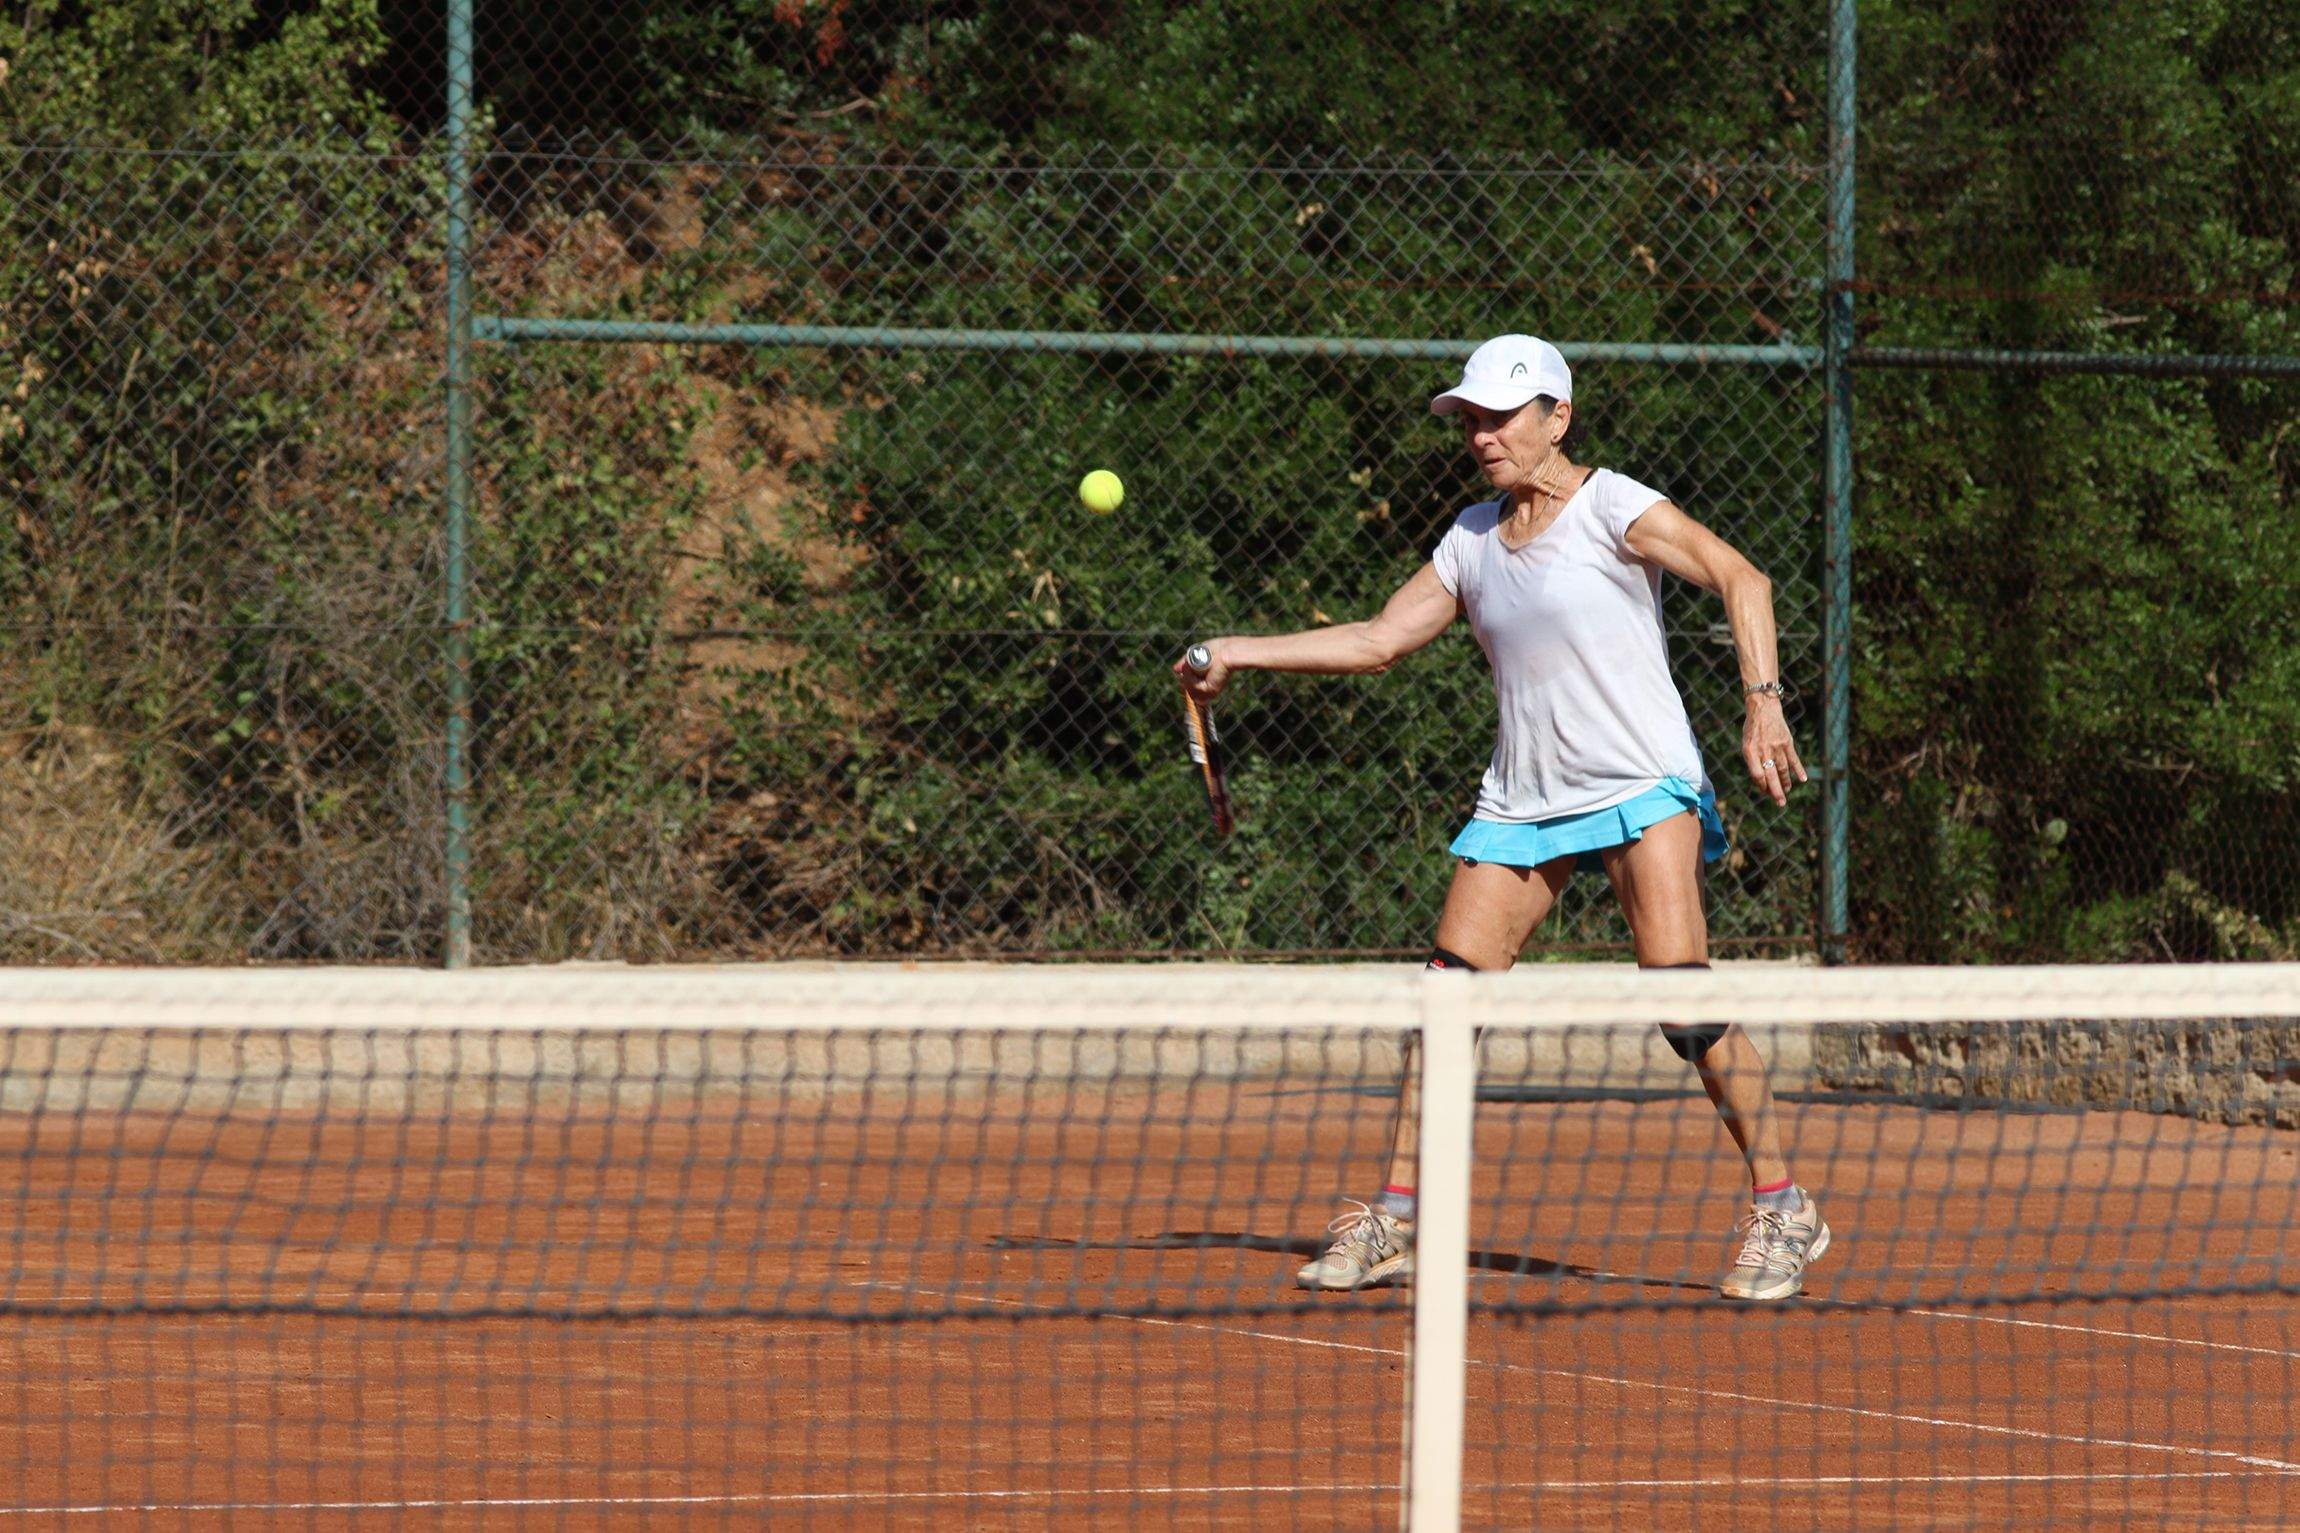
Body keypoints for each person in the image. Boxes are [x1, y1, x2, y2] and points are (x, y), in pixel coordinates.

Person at [1173, 334, 1827, 1303]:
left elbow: (1744, 579)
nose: (1480, 437)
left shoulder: (1613, 506)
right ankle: (1395, 1217)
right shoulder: (1471, 539)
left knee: (1681, 1006)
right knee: (1442, 1004)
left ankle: (1783, 1205)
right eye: (1469, 421)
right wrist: (1235, 650)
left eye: (1499, 417)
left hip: (1641, 782)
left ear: (1555, 417)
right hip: (1521, 798)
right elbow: (1379, 639)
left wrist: (1760, 697)